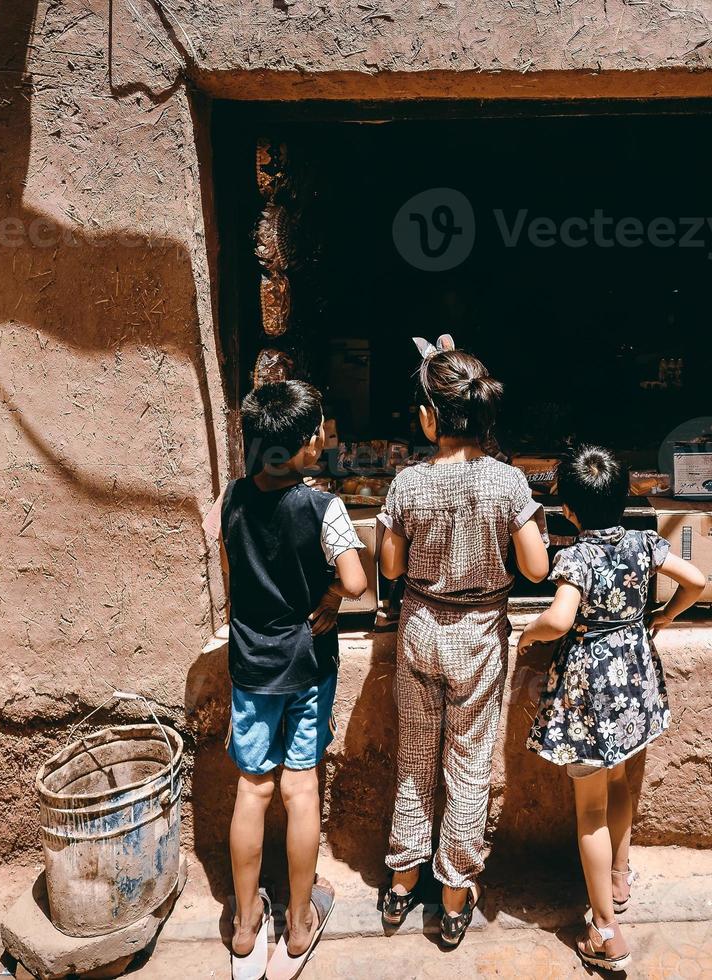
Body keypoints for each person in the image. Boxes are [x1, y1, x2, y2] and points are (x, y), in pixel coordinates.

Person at [376, 335, 551, 946]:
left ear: (430, 417)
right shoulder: (506, 484)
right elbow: (534, 568)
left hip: (421, 628)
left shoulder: (408, 484)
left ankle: (400, 884)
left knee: (415, 760)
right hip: (479, 637)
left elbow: (392, 569)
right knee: (468, 764)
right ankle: (453, 895)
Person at [203, 380, 369, 980]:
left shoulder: (233, 500)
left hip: (252, 666)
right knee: (302, 789)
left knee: (253, 790)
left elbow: (234, 569)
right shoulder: (323, 506)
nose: (324, 436)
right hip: (307, 664)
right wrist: (325, 592)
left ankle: (246, 925)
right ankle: (298, 926)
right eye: (318, 430)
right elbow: (355, 583)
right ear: (300, 446)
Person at [518, 444, 706, 973]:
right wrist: (665, 616)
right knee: (620, 781)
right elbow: (696, 580)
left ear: (569, 511)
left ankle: (604, 928)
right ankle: (621, 876)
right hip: (634, 682)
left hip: (589, 690)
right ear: (624, 498)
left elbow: (559, 620)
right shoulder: (645, 543)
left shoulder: (575, 556)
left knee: (591, 810)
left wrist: (527, 636)